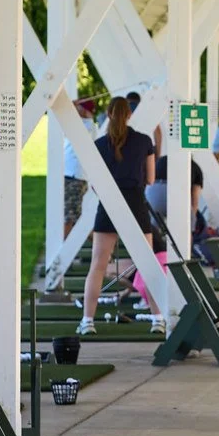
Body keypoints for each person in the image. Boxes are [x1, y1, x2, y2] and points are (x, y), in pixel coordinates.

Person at [77, 97, 165, 336]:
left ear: (108, 114)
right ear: (129, 115)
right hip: (136, 204)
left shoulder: (99, 144)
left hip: (108, 206)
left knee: (97, 266)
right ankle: (158, 319)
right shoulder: (144, 141)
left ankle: (87, 321)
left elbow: (95, 184)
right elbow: (150, 179)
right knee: (148, 265)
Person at [62, 98, 99, 239]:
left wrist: (70, 105)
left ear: (83, 109)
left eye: (78, 107)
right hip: (73, 176)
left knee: (69, 217)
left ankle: (63, 248)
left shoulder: (86, 125)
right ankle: (100, 243)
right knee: (72, 217)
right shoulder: (86, 125)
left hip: (74, 177)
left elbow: (66, 114)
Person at [126, 91, 163, 160]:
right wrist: (158, 154)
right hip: (147, 149)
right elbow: (158, 133)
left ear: (126, 101)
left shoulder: (124, 111)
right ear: (140, 102)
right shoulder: (147, 111)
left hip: (128, 149)